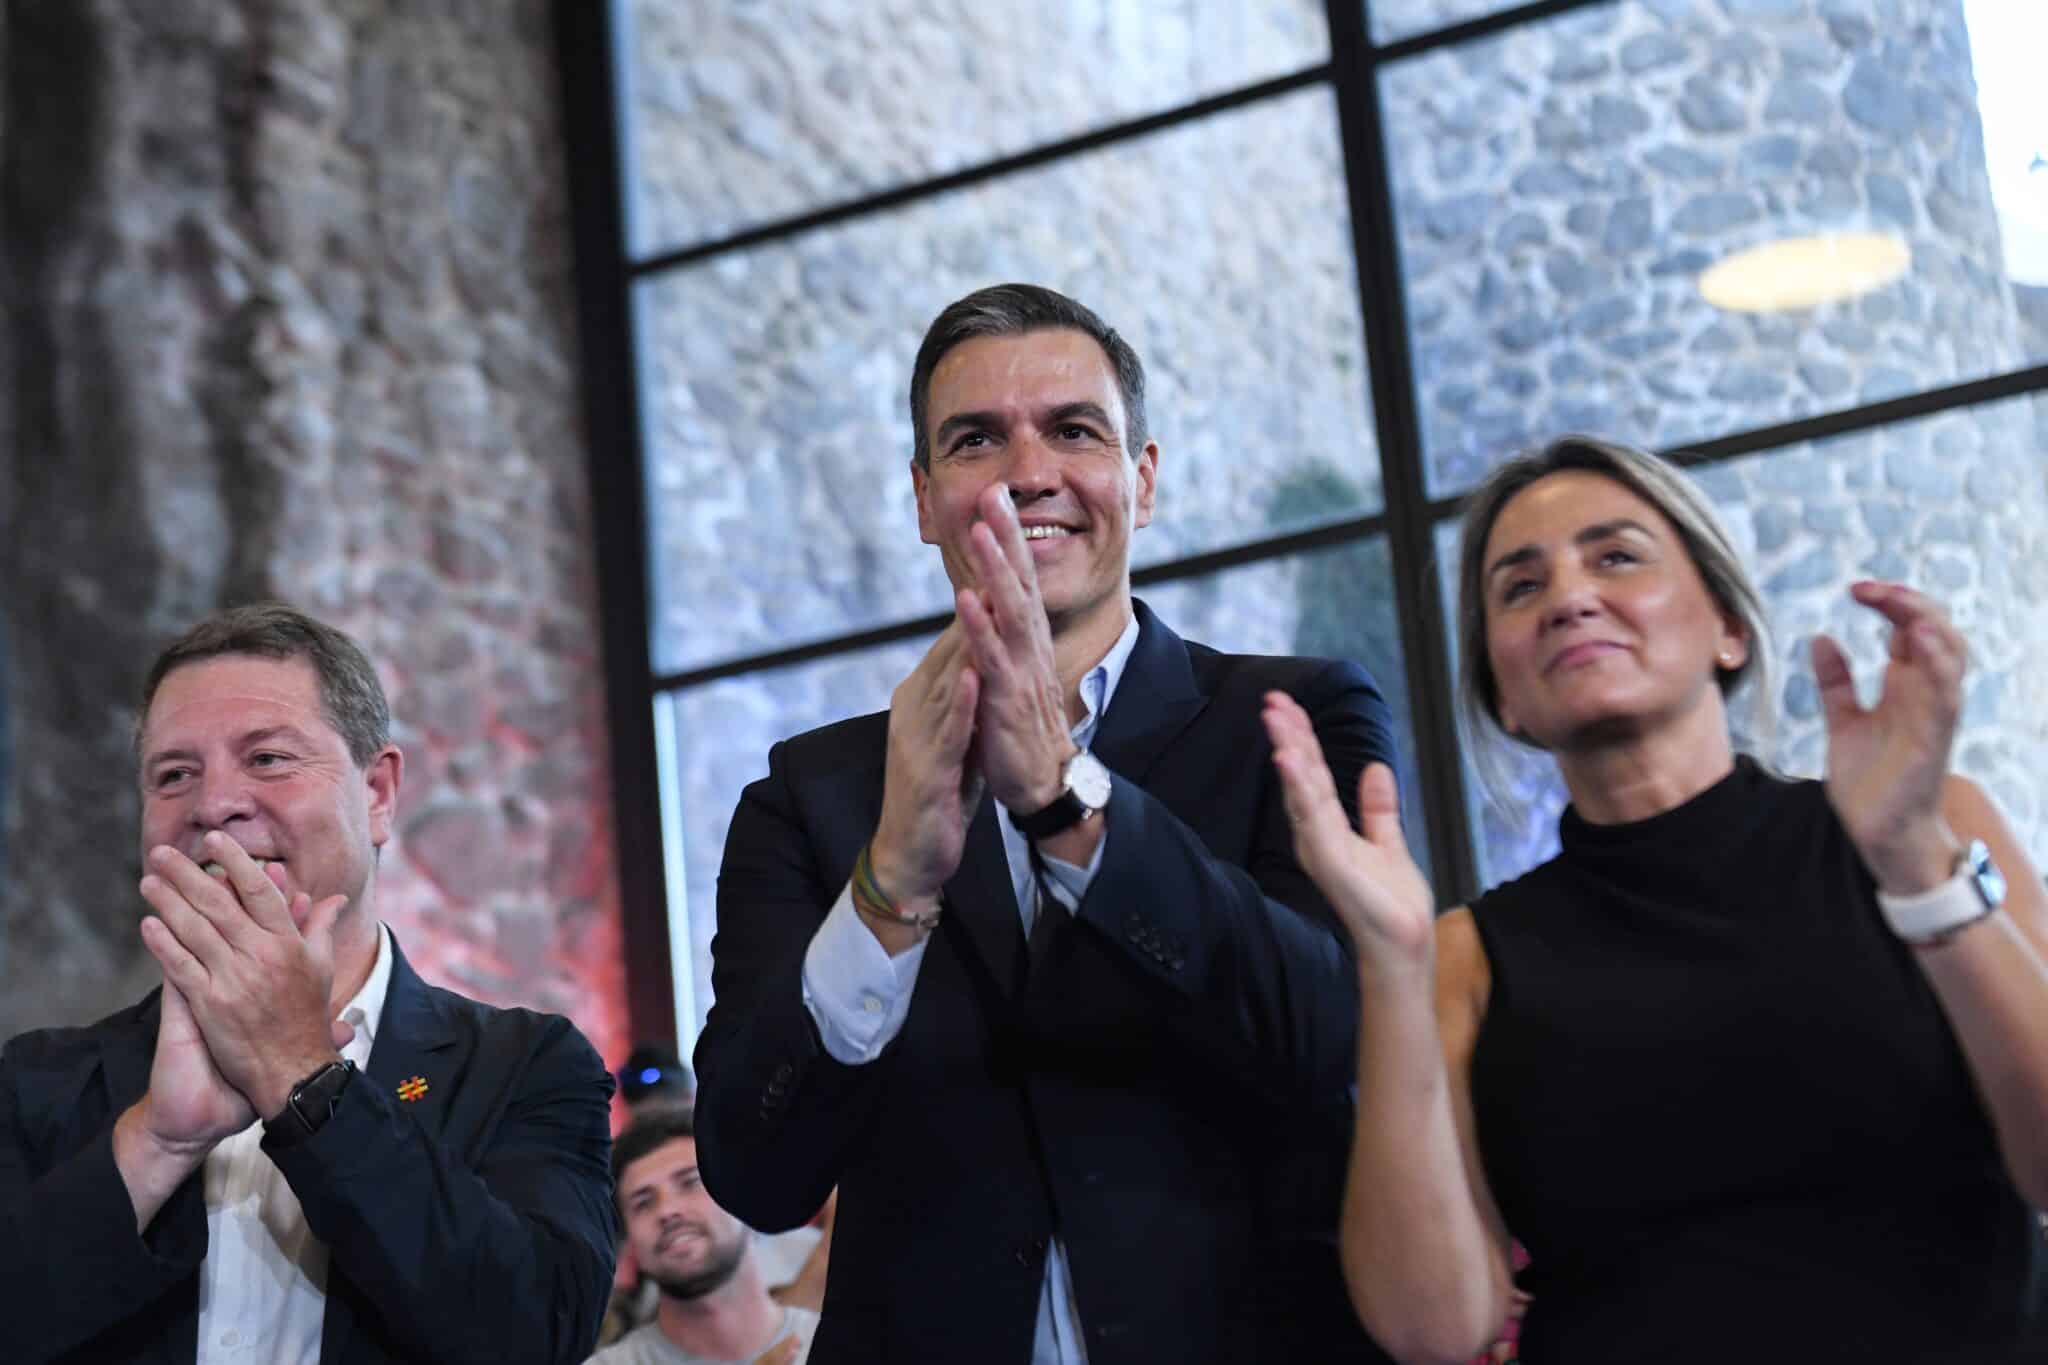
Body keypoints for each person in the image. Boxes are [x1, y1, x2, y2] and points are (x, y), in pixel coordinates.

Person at [693, 283, 1399, 1363]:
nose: (1030, 473)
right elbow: (756, 1172)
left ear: (1140, 479)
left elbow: (1335, 1042)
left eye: (1073, 430)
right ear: (924, 498)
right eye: (976, 440)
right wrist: (887, 891)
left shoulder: (1291, 722)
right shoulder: (812, 793)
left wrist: (1069, 805)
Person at [1261, 435, 2048, 1364]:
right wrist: (1393, 967)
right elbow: (1433, 1329)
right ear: (1505, 696)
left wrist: (1913, 859)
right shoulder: (1465, 959)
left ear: (1728, 627)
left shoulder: (1933, 826)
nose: (1570, 598)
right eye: (1520, 587)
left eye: (1616, 556)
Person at [0, 603, 618, 1364]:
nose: (213, 804)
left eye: (267, 759)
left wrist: (305, 1078)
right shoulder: (38, 1080)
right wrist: (158, 1142)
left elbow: (536, 1333)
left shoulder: (526, 1065)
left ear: (379, 793)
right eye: (174, 774)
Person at [589, 1108, 816, 1365]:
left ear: (741, 1197)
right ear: (627, 1243)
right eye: (643, 1202)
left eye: (690, 1182)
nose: (667, 1210)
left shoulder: (844, 1344)